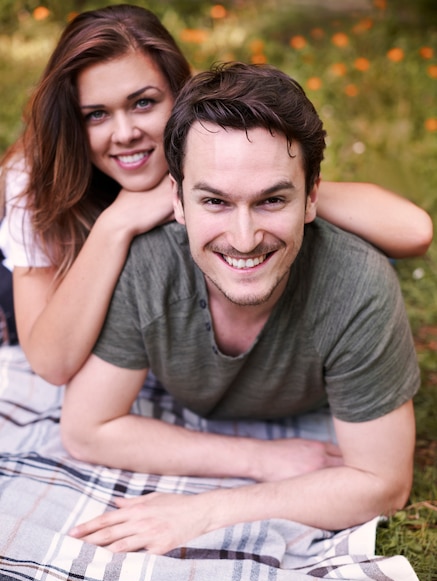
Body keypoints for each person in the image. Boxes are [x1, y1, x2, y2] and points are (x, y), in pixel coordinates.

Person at [61, 62, 421, 556]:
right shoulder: (148, 262)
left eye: (272, 200)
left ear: (312, 196)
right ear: (178, 201)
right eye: (215, 202)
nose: (244, 238)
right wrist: (261, 459)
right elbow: (86, 430)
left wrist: (207, 511)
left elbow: (384, 483)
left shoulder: (357, 284)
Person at [0, 5, 433, 382]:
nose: (125, 133)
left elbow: (414, 233)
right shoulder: (36, 178)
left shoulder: (214, 145)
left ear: (180, 96)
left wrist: (277, 196)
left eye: (144, 103)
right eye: (96, 114)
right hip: (45, 299)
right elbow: (51, 363)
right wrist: (118, 222)